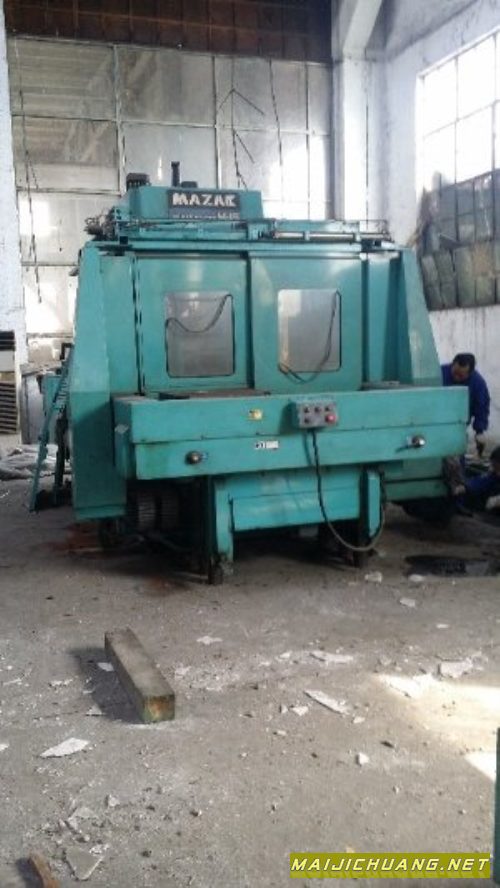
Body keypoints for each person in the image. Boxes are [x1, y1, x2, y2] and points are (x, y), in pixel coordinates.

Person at [441, 353, 490, 456]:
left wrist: (479, 431)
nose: (456, 377)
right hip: (436, 424)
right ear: (452, 365)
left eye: (461, 376)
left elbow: (481, 408)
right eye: (455, 373)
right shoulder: (439, 374)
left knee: (456, 457)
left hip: (458, 428)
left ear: (470, 373)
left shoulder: (478, 383)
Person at [453, 445, 500, 513]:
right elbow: (481, 481)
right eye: (495, 467)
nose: (497, 472)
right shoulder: (493, 475)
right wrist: (465, 487)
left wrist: (496, 500)